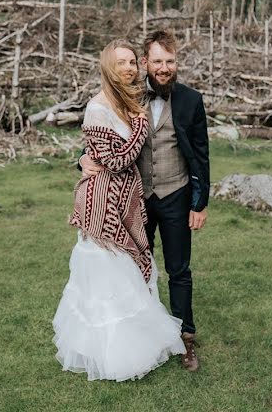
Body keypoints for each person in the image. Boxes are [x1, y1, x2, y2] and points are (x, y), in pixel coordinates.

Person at [52, 39, 186, 382]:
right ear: (107, 67)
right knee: (108, 274)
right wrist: (82, 158)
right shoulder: (99, 106)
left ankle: (141, 342)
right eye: (121, 63)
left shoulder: (130, 99)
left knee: (129, 269)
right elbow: (113, 157)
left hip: (134, 198)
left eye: (131, 62)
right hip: (104, 202)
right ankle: (110, 354)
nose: (128, 68)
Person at [81, 29, 209, 372]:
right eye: (157, 61)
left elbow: (201, 155)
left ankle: (186, 339)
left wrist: (200, 203)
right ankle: (145, 338)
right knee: (137, 268)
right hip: (133, 199)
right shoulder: (126, 96)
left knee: (178, 270)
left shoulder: (191, 100)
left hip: (177, 195)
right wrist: (80, 160)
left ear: (176, 62)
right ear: (145, 62)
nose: (164, 67)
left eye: (170, 61)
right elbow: (100, 137)